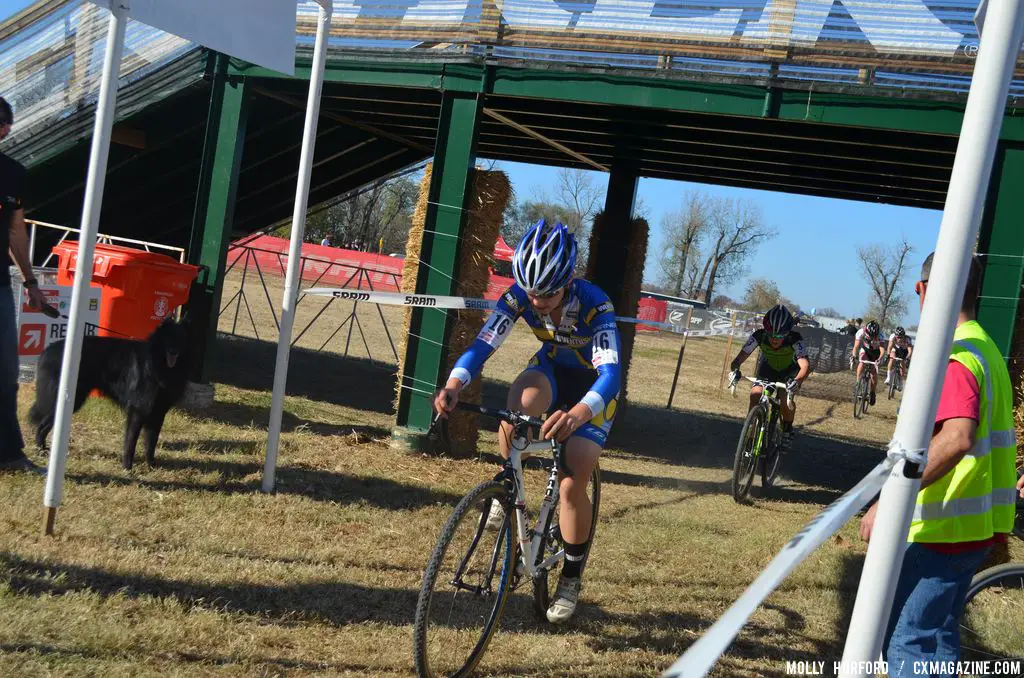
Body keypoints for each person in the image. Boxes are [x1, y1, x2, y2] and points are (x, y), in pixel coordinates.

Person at [434, 219, 620, 624]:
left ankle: (570, 578)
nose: (537, 302)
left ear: (567, 280)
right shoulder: (520, 295)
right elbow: (484, 344)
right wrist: (454, 384)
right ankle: (508, 487)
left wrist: (577, 414)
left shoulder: (595, 303)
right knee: (518, 406)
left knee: (574, 474)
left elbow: (610, 376)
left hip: (592, 391)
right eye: (531, 291)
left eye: (548, 293)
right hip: (552, 371)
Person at [860, 253, 1018, 674]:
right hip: (971, 532)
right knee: (938, 639)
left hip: (941, 532)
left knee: (906, 644)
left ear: (922, 290)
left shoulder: (955, 354)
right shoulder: (984, 347)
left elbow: (957, 437)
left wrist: (888, 501)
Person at [0, 97, 46, 473]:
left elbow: (16, 231)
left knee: (5, 372)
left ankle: (9, 454)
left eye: (6, 125)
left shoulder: (13, 173)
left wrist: (31, 282)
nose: (3, 129)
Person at [727, 304, 810, 445]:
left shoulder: (794, 339)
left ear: (787, 333)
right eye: (770, 334)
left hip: (789, 373)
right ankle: (750, 436)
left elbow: (805, 366)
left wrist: (796, 381)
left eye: (779, 335)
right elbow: (738, 359)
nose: (774, 339)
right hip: (768, 369)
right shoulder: (758, 336)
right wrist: (735, 370)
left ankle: (787, 429)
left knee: (785, 401)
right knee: (755, 394)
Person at [851, 320, 884, 405]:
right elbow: (856, 346)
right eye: (870, 335)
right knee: (861, 362)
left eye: (873, 336)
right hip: (866, 350)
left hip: (876, 353)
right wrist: (854, 356)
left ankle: (872, 393)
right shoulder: (861, 332)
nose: (871, 337)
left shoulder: (880, 335)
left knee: (873, 374)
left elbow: (882, 349)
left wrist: (880, 358)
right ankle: (858, 384)